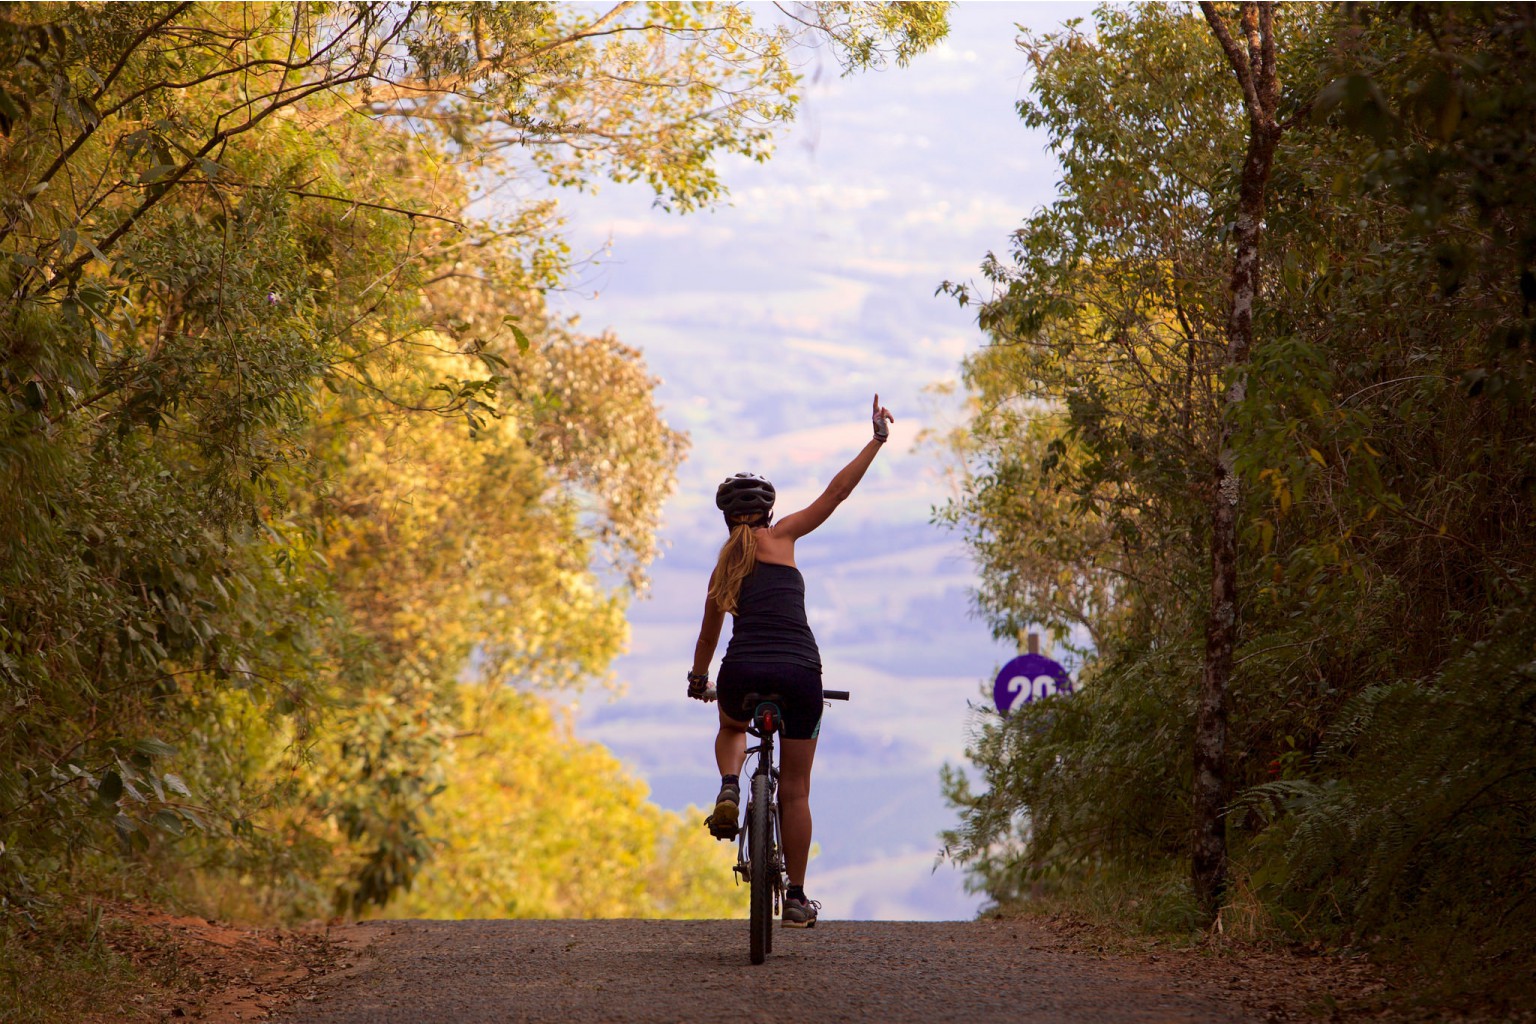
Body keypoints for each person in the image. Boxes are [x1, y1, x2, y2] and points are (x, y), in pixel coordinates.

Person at [687, 394, 894, 928]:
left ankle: (731, 784)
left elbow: (709, 635)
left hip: (741, 673)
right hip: (801, 673)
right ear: (768, 512)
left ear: (726, 519)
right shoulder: (784, 536)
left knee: (732, 723)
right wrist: (875, 439)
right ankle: (797, 898)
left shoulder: (721, 570)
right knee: (796, 790)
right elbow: (836, 493)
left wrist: (698, 679)